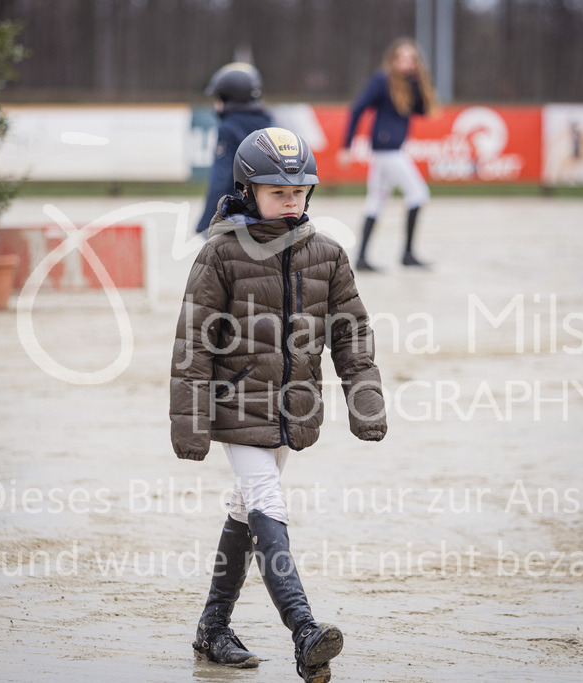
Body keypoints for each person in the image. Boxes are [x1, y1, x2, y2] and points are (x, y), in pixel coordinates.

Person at [170, 127, 387, 682]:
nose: (291, 201)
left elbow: (351, 334)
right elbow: (193, 343)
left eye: (299, 192)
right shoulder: (220, 252)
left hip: (293, 410)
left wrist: (364, 399)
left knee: (246, 510)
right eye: (277, 192)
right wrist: (192, 423)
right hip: (235, 408)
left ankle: (212, 628)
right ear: (247, 190)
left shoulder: (329, 254)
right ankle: (304, 630)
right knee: (267, 499)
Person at [343, 37, 437, 272]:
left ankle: (362, 258)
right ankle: (407, 254)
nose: (406, 62)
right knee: (418, 194)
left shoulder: (408, 85)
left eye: (411, 58)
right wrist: (347, 145)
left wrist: (418, 80)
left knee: (375, 200)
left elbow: (423, 111)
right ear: (392, 59)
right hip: (387, 149)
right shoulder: (382, 81)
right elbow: (357, 109)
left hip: (392, 150)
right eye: (401, 57)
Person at [195, 62, 273, 235]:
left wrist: (206, 221)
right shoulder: (268, 123)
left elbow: (220, 179)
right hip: (266, 212)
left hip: (236, 216)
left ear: (228, 98)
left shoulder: (228, 128)